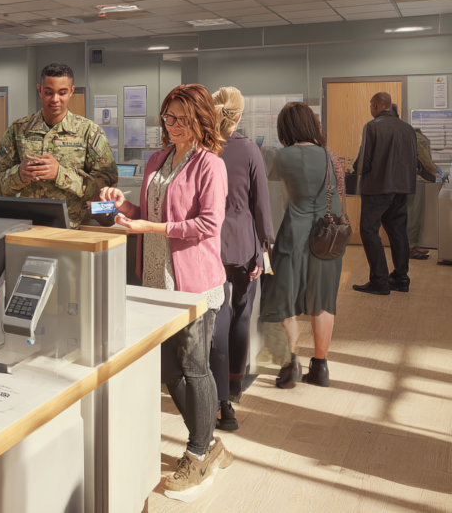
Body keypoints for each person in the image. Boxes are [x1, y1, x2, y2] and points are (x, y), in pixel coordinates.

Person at [98, 84, 232, 495]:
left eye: (180, 119)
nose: (171, 126)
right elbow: (148, 213)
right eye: (167, 118)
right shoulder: (157, 159)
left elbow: (208, 225)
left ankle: (198, 451)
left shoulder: (210, 165)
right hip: (157, 279)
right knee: (169, 369)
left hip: (194, 283)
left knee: (195, 368)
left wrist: (149, 227)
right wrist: (123, 206)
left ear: (200, 119)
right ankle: (209, 443)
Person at [261, 102, 345, 389]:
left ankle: (290, 365)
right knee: (323, 301)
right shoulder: (332, 157)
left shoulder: (280, 157)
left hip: (292, 236)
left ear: (285, 128)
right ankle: (320, 368)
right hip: (326, 239)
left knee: (285, 301)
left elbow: (252, 178)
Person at [208, 87, 273, 430]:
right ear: (238, 116)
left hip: (207, 245)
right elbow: (260, 202)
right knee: (241, 314)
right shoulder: (248, 148)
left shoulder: (203, 148)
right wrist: (265, 246)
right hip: (243, 245)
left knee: (215, 316)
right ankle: (233, 384)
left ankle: (214, 391)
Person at [0, 63, 118, 229]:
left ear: (71, 91)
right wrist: (19, 175)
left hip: (70, 230)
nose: (55, 99)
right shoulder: (18, 130)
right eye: (48, 92)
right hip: (24, 228)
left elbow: (107, 187)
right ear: (40, 90)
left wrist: (61, 174)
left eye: (62, 93)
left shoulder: (89, 132)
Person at [352, 92, 417, 295]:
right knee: (398, 231)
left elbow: (365, 162)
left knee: (369, 230)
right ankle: (401, 278)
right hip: (402, 187)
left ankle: (379, 281)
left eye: (371, 106)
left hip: (378, 187)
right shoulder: (408, 129)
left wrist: (354, 169)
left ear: (376, 105)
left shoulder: (372, 126)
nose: (370, 110)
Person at [408, 125, 440, 259]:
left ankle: (408, 244)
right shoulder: (419, 138)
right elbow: (424, 158)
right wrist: (435, 172)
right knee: (414, 213)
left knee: (405, 212)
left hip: (400, 179)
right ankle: (411, 246)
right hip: (415, 179)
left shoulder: (404, 136)